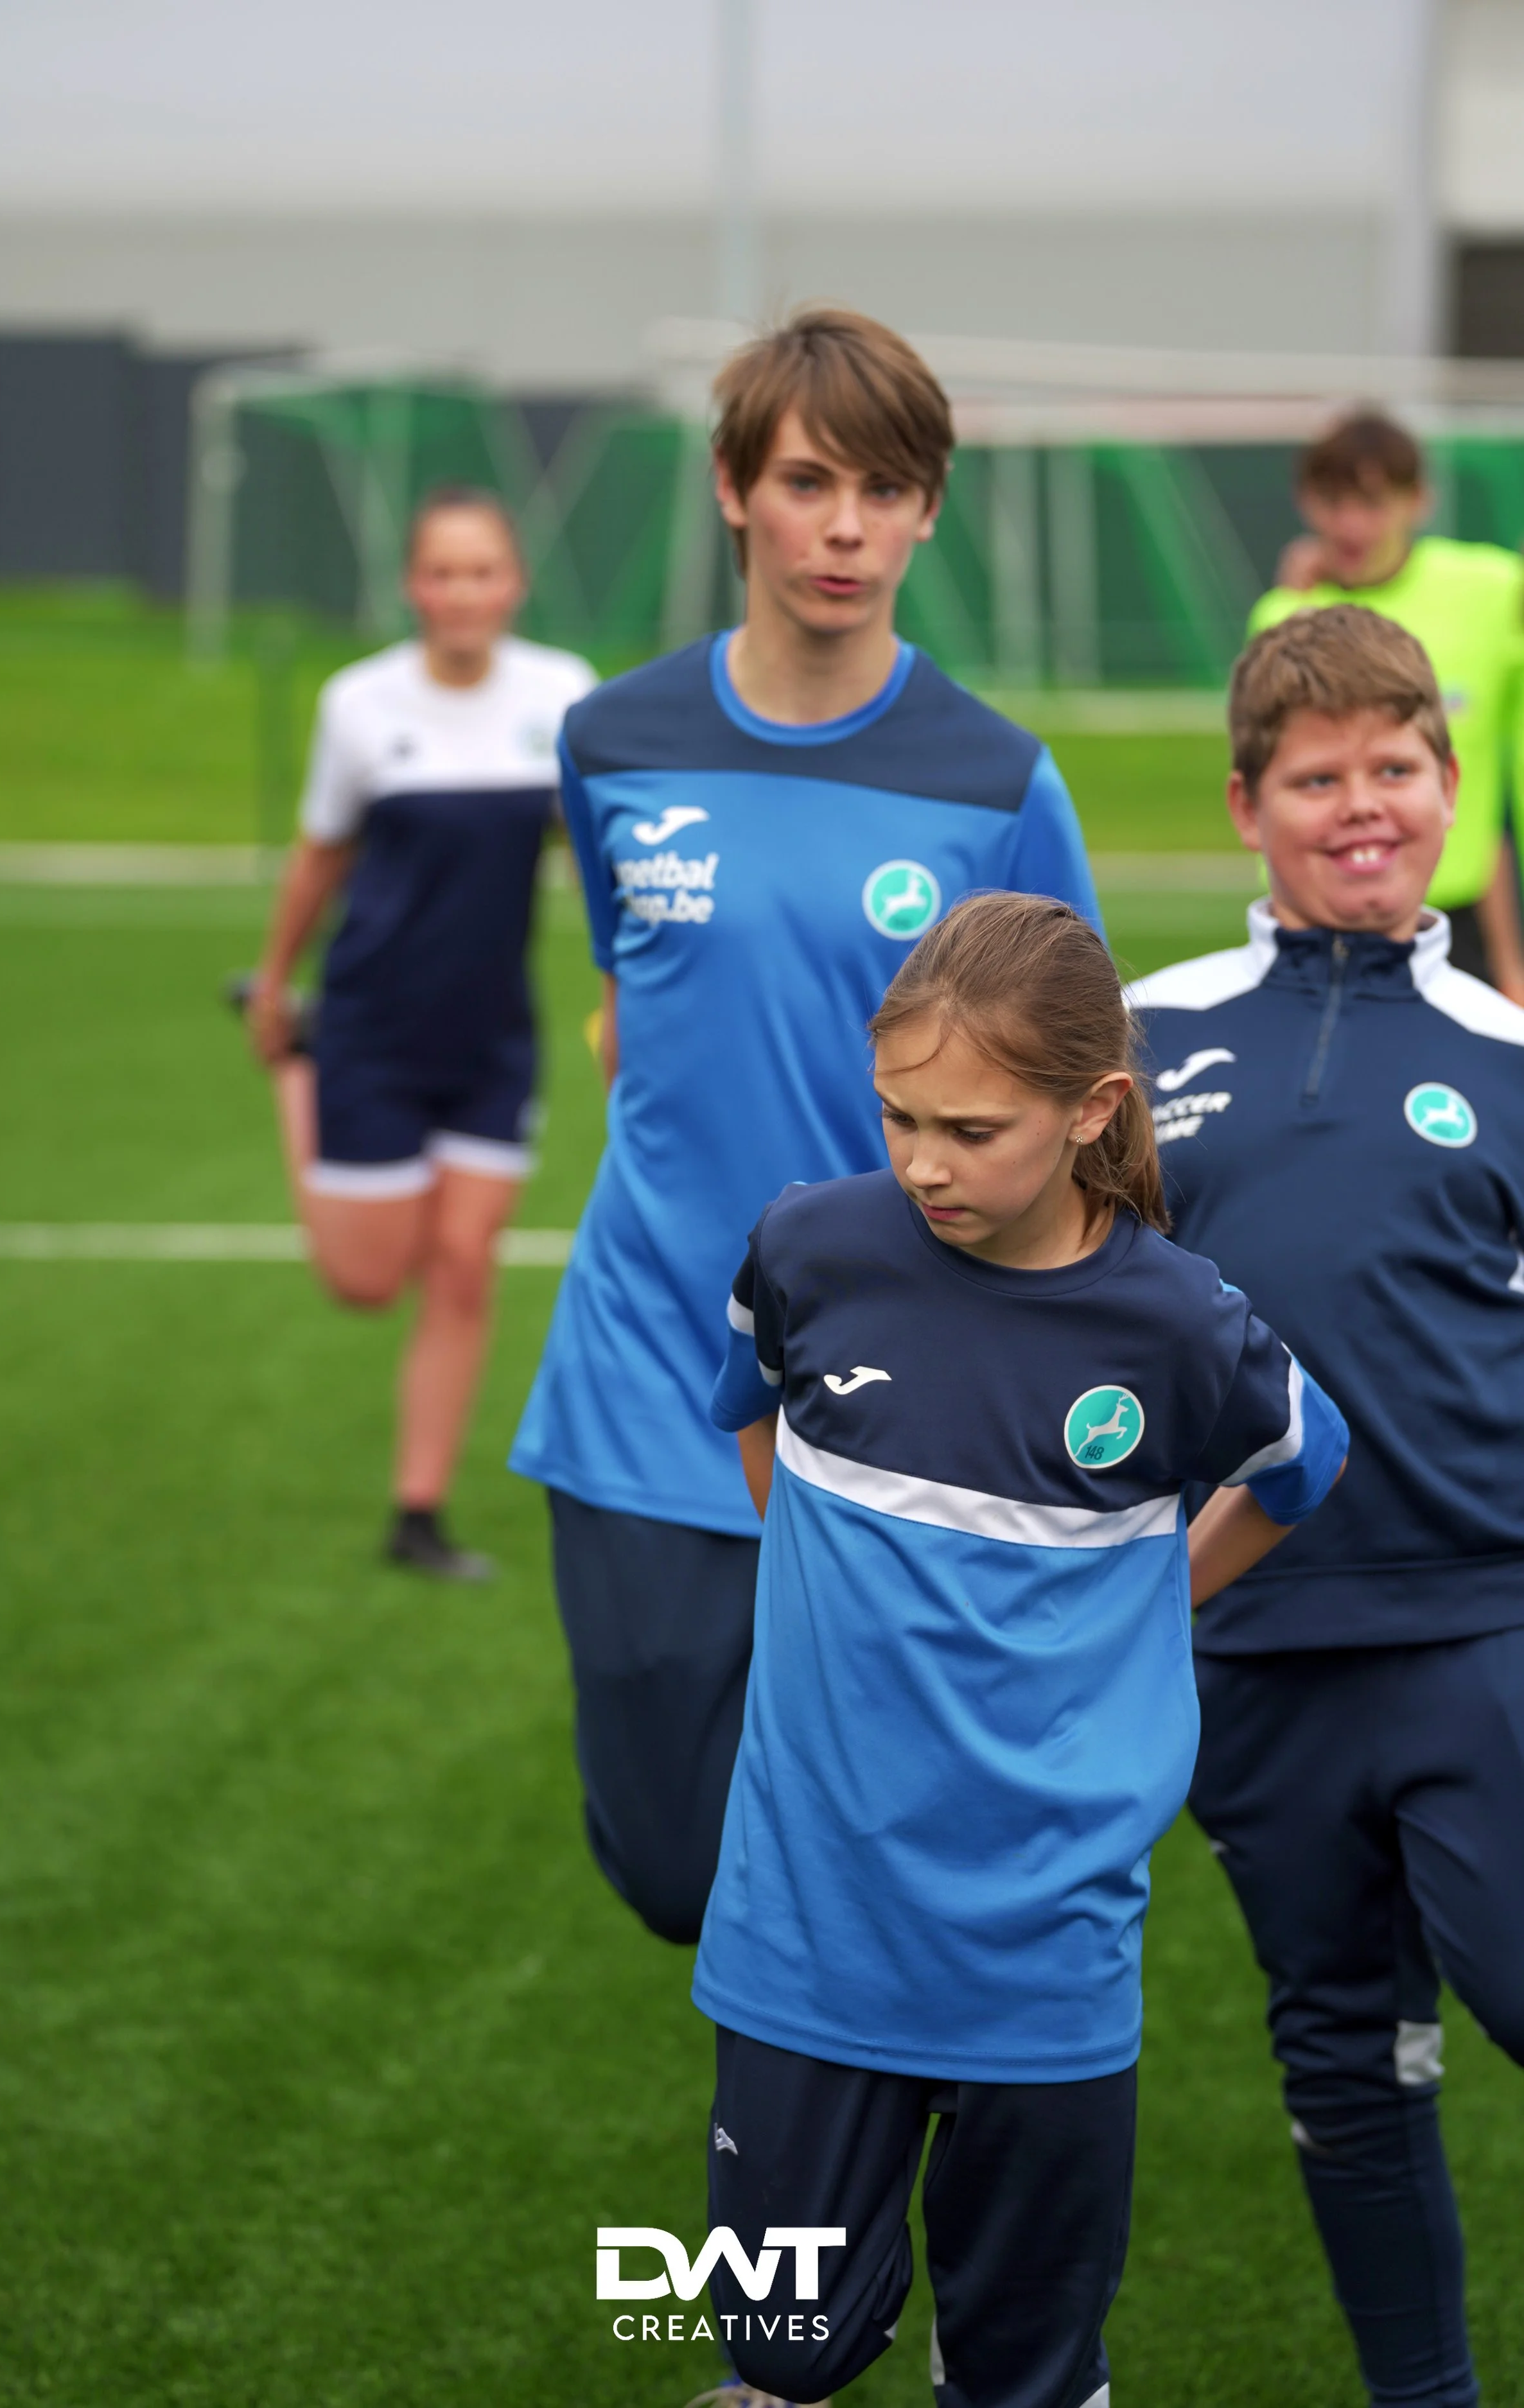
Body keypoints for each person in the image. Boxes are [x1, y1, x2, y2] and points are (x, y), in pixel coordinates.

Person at [697, 893, 1347, 2408]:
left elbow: (1306, 1465)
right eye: (898, 1117)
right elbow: (752, 1398)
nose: (924, 1161)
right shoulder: (810, 1245)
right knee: (773, 2339)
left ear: (1090, 1109)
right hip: (809, 1909)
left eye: (972, 1128)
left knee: (1022, 2368)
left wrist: (1161, 1597)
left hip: (1040, 1941)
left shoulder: (1180, 1324)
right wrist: (815, 1583)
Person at [508, 308, 1101, 1946]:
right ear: (732, 489)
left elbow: (1080, 1099)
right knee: (672, 1869)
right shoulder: (611, 743)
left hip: (902, 1397)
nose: (845, 527)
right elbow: (638, 1000)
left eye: (886, 488)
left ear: (928, 509)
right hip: (645, 1381)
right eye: (809, 481)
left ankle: (823, 2186)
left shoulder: (995, 784)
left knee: (880, 1861)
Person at [1127, 605, 1524, 2408]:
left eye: (1394, 766)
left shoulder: (1504, 1049)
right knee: (1345, 2060)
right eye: (1315, 775)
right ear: (1244, 804)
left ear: (1448, 787)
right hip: (1243, 1638)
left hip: (1471, 1624)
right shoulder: (1137, 1038)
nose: (1359, 804)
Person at [238, 486, 594, 1578]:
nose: (463, 592)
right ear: (413, 587)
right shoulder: (358, 704)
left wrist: (642, 974)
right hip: (369, 1030)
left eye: (483, 570)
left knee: (465, 1268)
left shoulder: (563, 695)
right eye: (442, 572)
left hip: (492, 1038)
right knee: (365, 1282)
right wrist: (273, 982)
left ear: (514, 584)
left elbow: (600, 855)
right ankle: (296, 1074)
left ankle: (418, 1512)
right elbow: (321, 855)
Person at [1253, 408, 1524, 999]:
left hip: (1461, 918)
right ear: (1306, 503)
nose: (1351, 524)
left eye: (1372, 503)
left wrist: (1511, 961)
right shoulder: (1283, 620)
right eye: (1333, 502)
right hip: (1322, 919)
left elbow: (1491, 809)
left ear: (1418, 500)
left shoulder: (1488, 589)